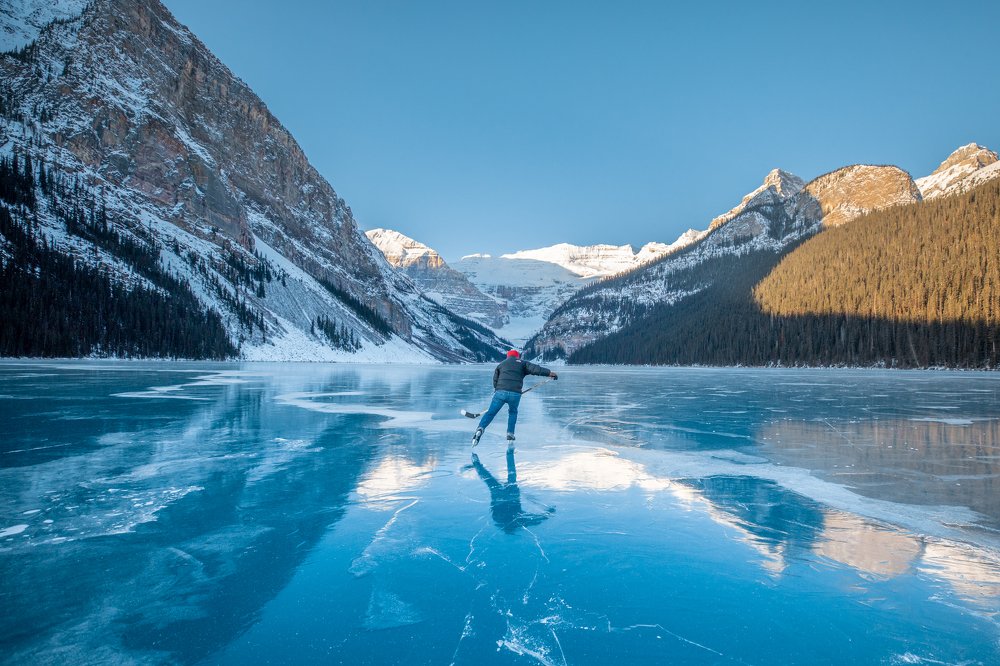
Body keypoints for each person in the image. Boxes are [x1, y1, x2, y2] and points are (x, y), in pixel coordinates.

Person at [472, 350, 557, 446]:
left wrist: (498, 389)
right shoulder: (523, 363)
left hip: (500, 393)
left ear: (508, 356)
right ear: (518, 357)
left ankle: (480, 428)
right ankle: (510, 434)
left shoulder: (501, 364)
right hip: (515, 394)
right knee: (513, 412)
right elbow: (537, 369)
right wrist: (550, 373)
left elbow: (495, 380)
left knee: (491, 413)